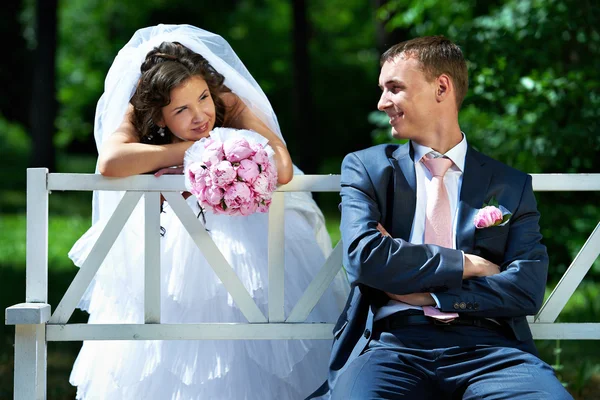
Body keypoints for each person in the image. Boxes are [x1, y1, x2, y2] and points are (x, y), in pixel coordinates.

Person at [68, 24, 349, 400]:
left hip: (244, 232)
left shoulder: (226, 102)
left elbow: (282, 168)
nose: (200, 115)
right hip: (166, 243)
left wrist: (222, 145)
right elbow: (111, 162)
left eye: (202, 97)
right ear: (159, 116)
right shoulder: (139, 113)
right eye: (181, 109)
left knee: (250, 321)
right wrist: (189, 152)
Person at [308, 36, 572, 399]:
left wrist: (431, 296)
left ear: (441, 87)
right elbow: (365, 259)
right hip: (392, 346)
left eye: (395, 88)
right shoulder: (367, 168)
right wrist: (466, 264)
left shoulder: (509, 184)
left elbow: (526, 288)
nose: (383, 102)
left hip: (492, 351)